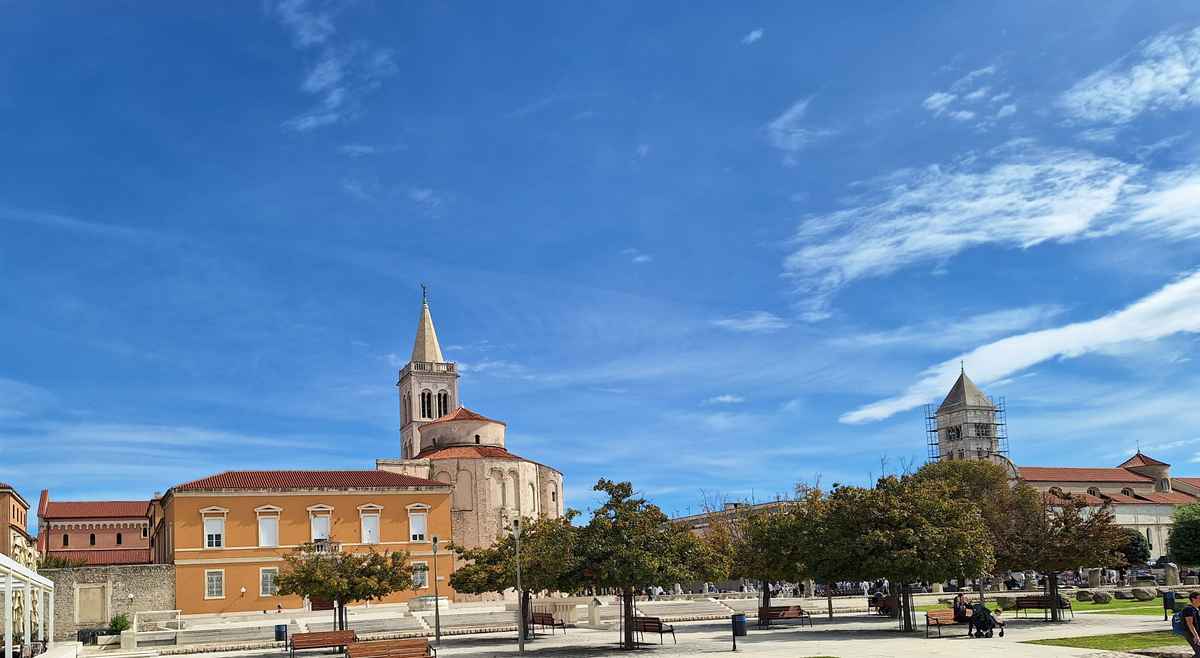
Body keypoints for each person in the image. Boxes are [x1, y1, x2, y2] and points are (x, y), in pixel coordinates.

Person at [1182, 591, 1200, 656]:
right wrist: (1196, 636)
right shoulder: (1188, 609)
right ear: (1193, 599)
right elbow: (1190, 624)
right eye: (1199, 598)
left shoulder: (1197, 608)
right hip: (1191, 634)